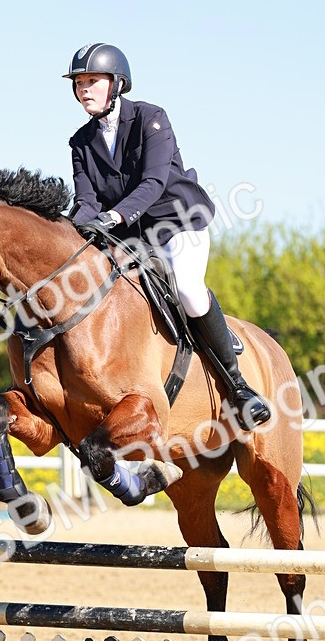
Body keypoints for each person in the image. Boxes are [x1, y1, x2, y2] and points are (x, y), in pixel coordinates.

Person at [64, 42, 270, 429]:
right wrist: (70, 230)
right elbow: (86, 199)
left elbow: (154, 181)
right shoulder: (80, 142)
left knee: (188, 289)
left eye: (92, 81)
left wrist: (113, 215)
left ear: (117, 83)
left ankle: (239, 386)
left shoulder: (150, 118)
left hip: (177, 221)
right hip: (131, 235)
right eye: (79, 83)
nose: (84, 89)